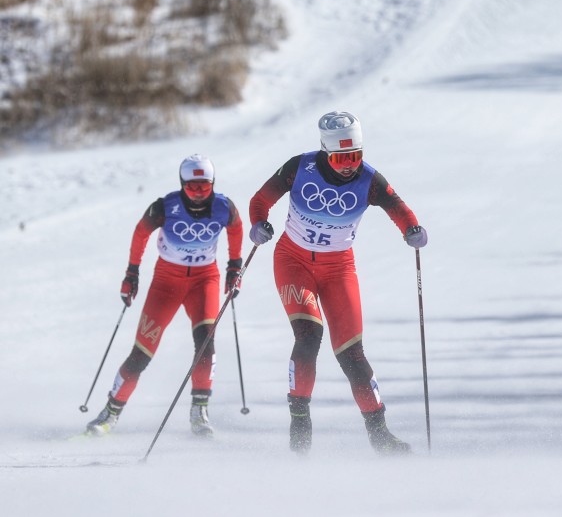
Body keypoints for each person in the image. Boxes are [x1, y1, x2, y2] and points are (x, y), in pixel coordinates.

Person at [247, 111, 427, 456]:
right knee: (309, 336)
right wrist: (259, 223)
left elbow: (397, 206)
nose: (349, 166)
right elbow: (261, 200)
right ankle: (300, 420)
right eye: (341, 158)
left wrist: (412, 229)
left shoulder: (370, 180)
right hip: (293, 262)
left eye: (355, 157)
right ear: (326, 152)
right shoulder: (300, 167)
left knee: (352, 355)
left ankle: (379, 433)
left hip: (338, 270)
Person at [85, 155, 244, 437]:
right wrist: (132, 274)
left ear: (213, 185)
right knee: (142, 353)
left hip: (204, 280)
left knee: (206, 345)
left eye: (204, 188)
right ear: (182, 185)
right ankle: (110, 413)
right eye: (192, 188)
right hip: (166, 282)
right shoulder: (165, 206)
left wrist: (234, 266)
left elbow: (236, 227)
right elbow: (140, 233)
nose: (197, 195)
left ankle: (199, 411)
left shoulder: (223, 207)